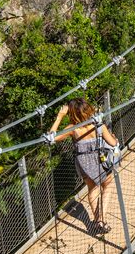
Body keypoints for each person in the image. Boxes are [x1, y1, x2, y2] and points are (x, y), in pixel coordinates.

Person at [50, 99, 119, 235]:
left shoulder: (72, 129)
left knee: (93, 188)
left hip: (83, 162)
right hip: (100, 159)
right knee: (108, 185)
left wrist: (59, 117)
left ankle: (98, 220)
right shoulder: (99, 126)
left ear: (73, 113)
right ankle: (101, 220)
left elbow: (51, 138)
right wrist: (114, 138)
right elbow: (113, 143)